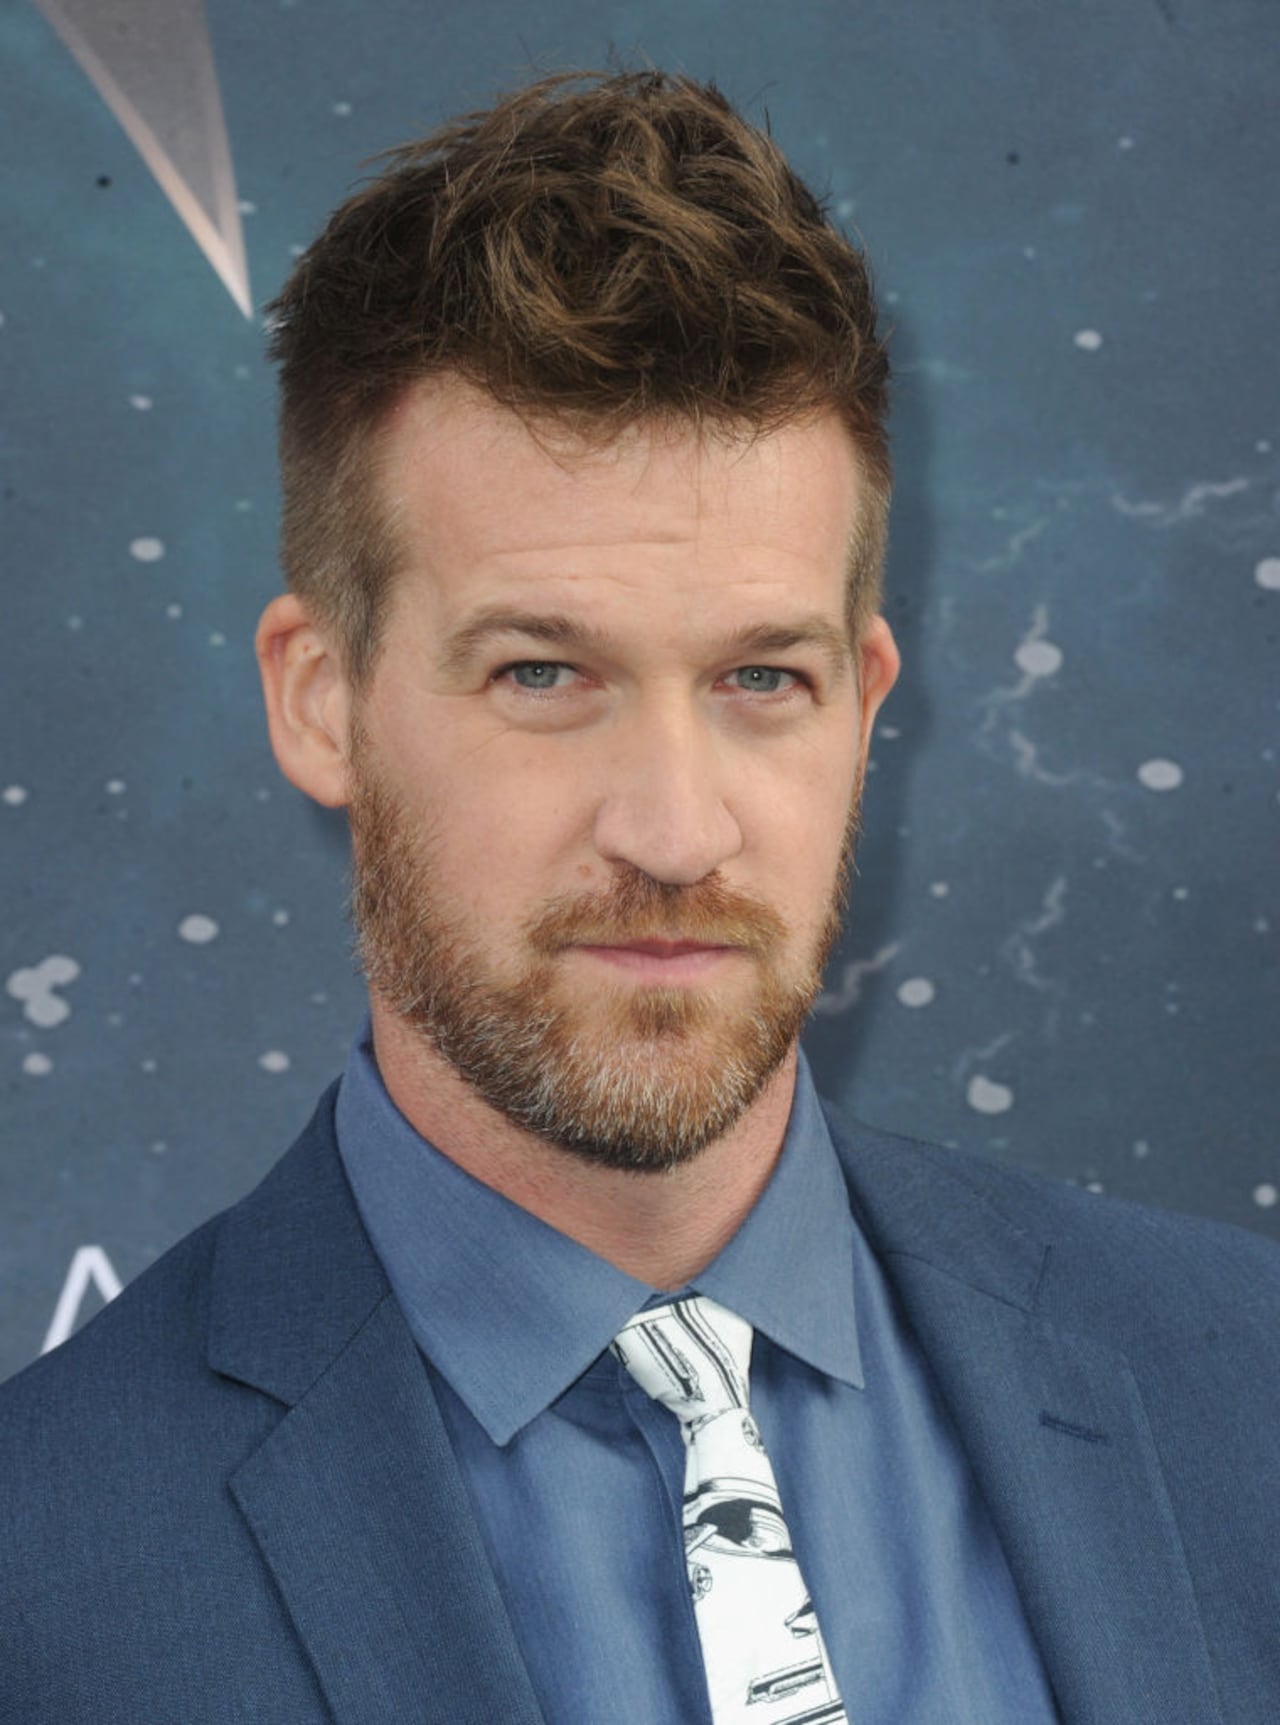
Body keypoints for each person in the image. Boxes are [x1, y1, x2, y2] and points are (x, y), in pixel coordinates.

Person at [2, 69, 1277, 1725]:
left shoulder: (1243, 1385)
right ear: (322, 698)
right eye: (544, 672)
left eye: (761, 677)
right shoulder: (45, 1572)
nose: (675, 831)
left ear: (867, 703)